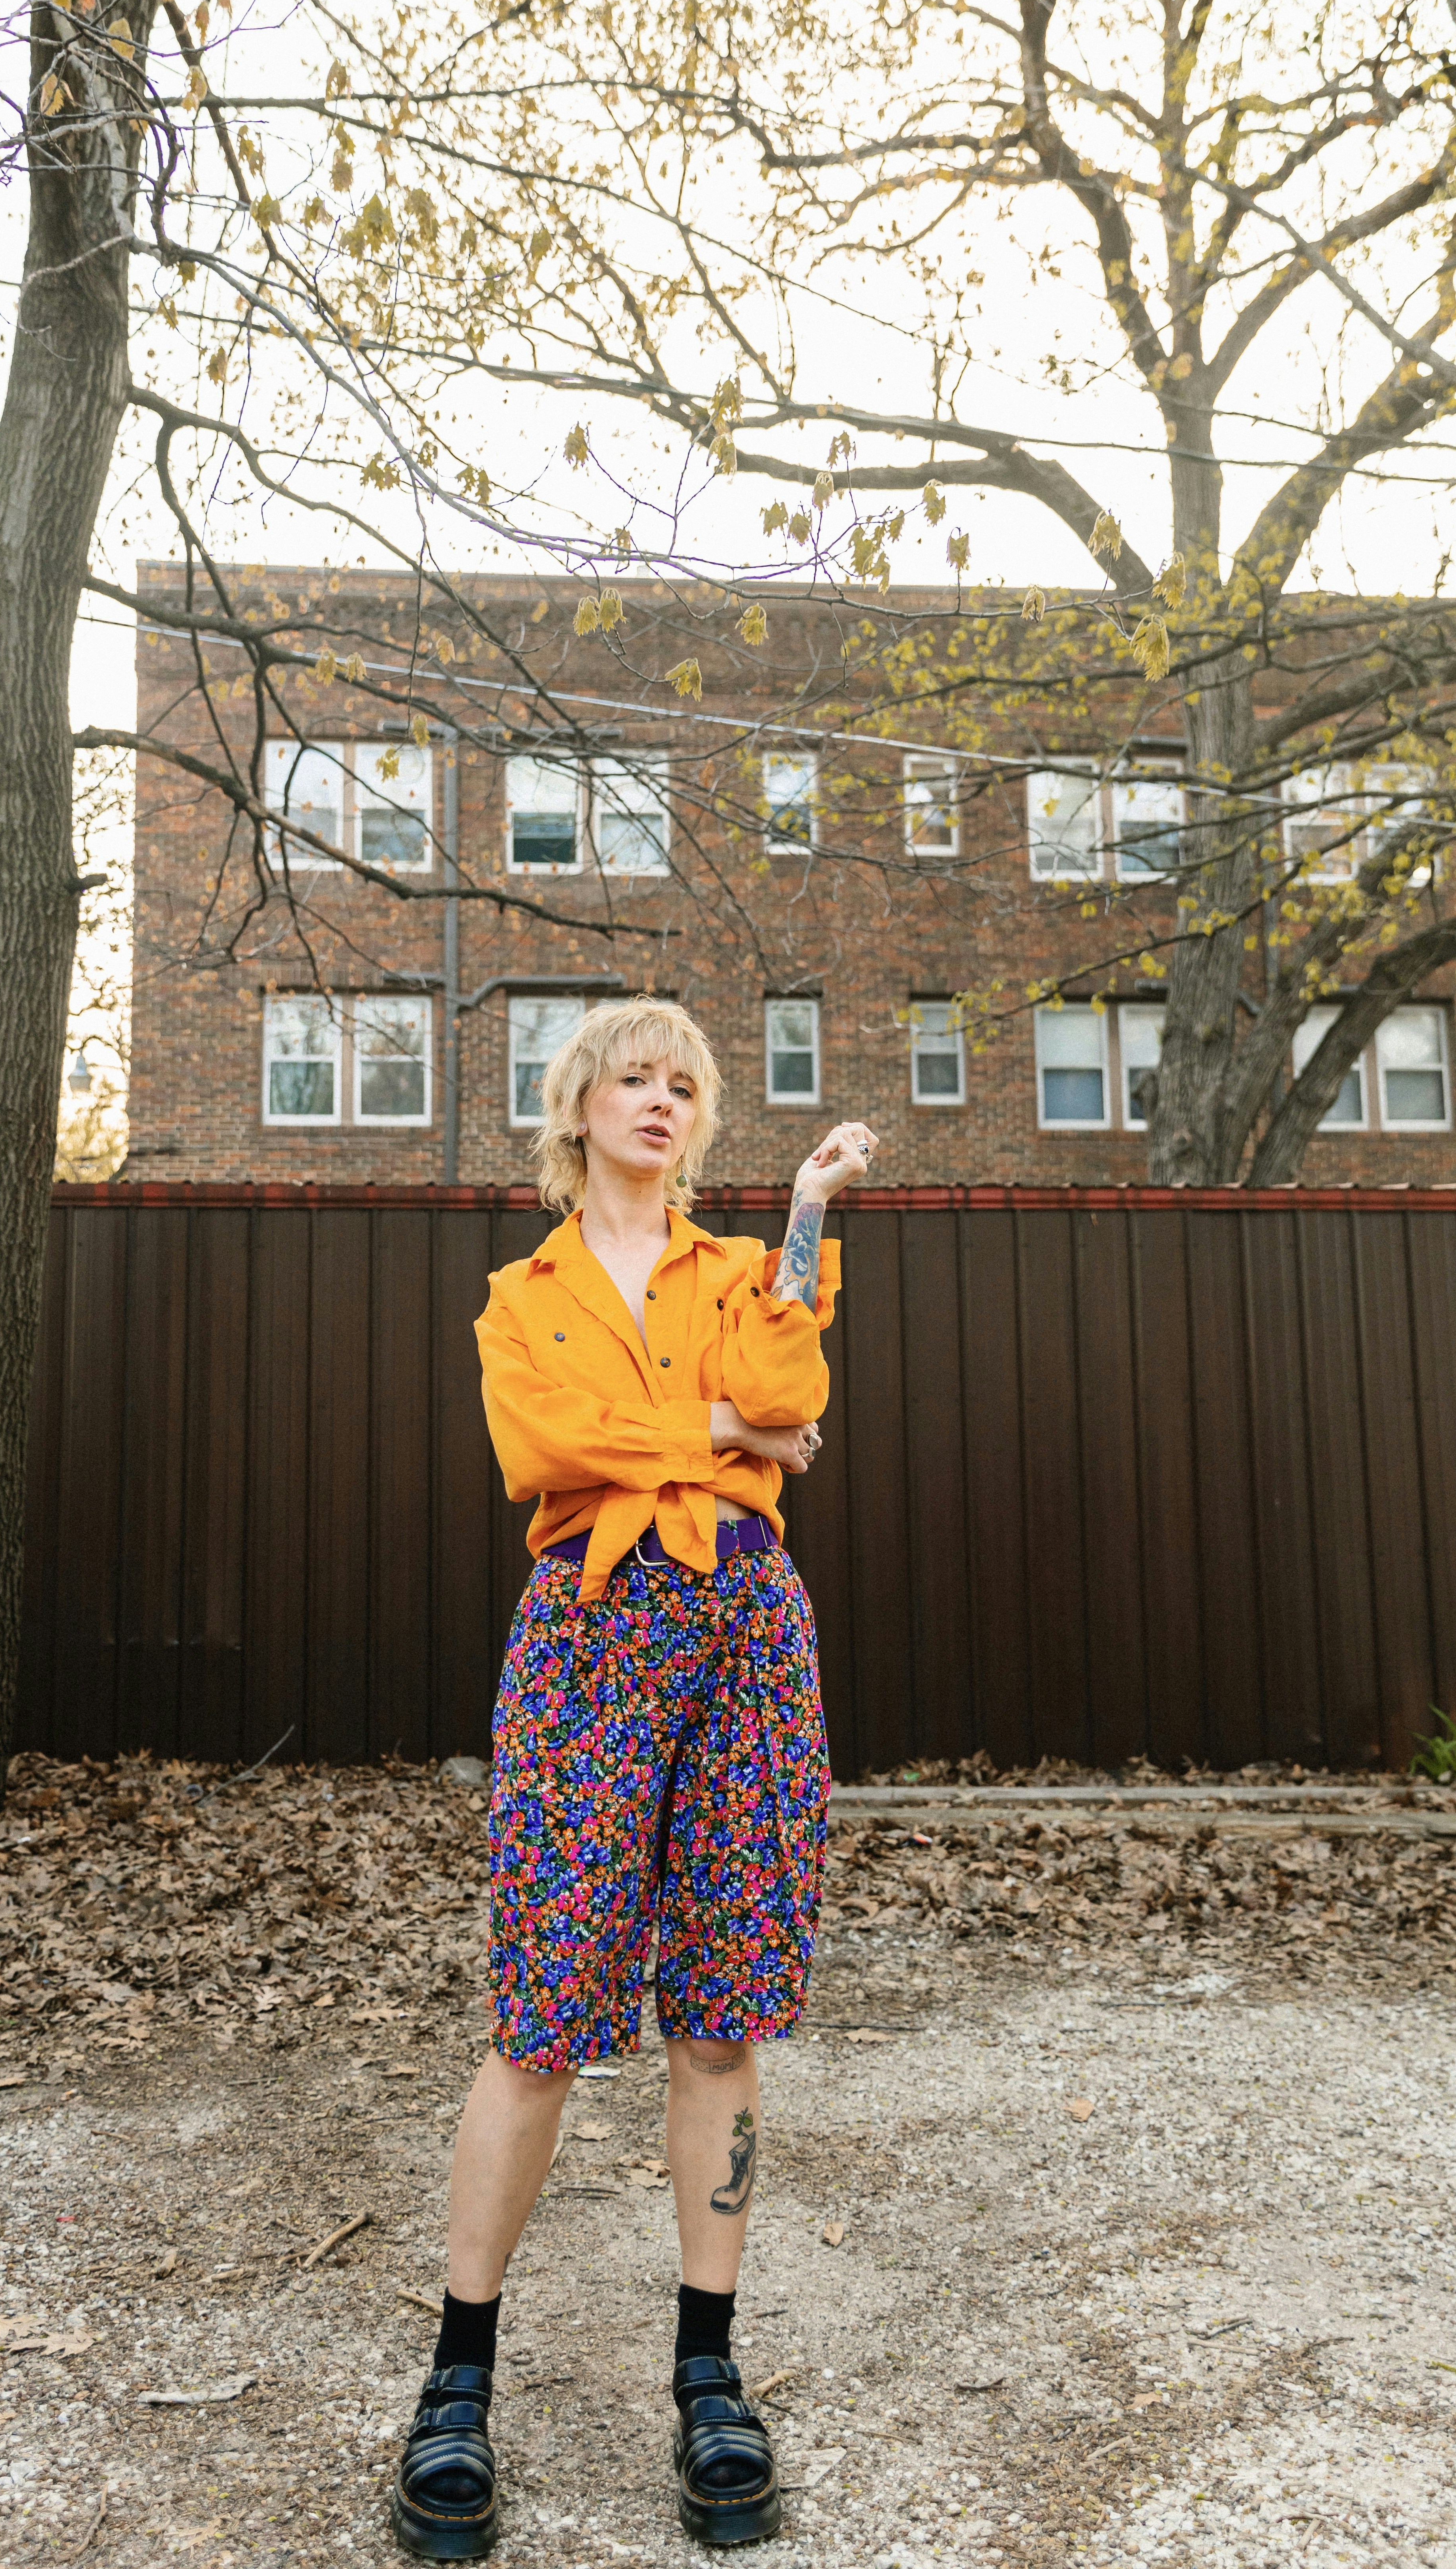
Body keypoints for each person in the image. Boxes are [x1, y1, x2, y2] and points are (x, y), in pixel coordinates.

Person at [390, 996, 877, 2561]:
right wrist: (718, 1429)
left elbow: (792, 1405)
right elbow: (543, 1451)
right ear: (580, 1101)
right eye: (637, 1079)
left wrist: (802, 1220)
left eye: (688, 1086)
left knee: (722, 2006)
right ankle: (457, 2384)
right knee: (542, 2013)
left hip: (746, 1625)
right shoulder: (515, 1296)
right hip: (589, 1627)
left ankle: (710, 2370)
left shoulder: (746, 1270)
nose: (663, 1102)